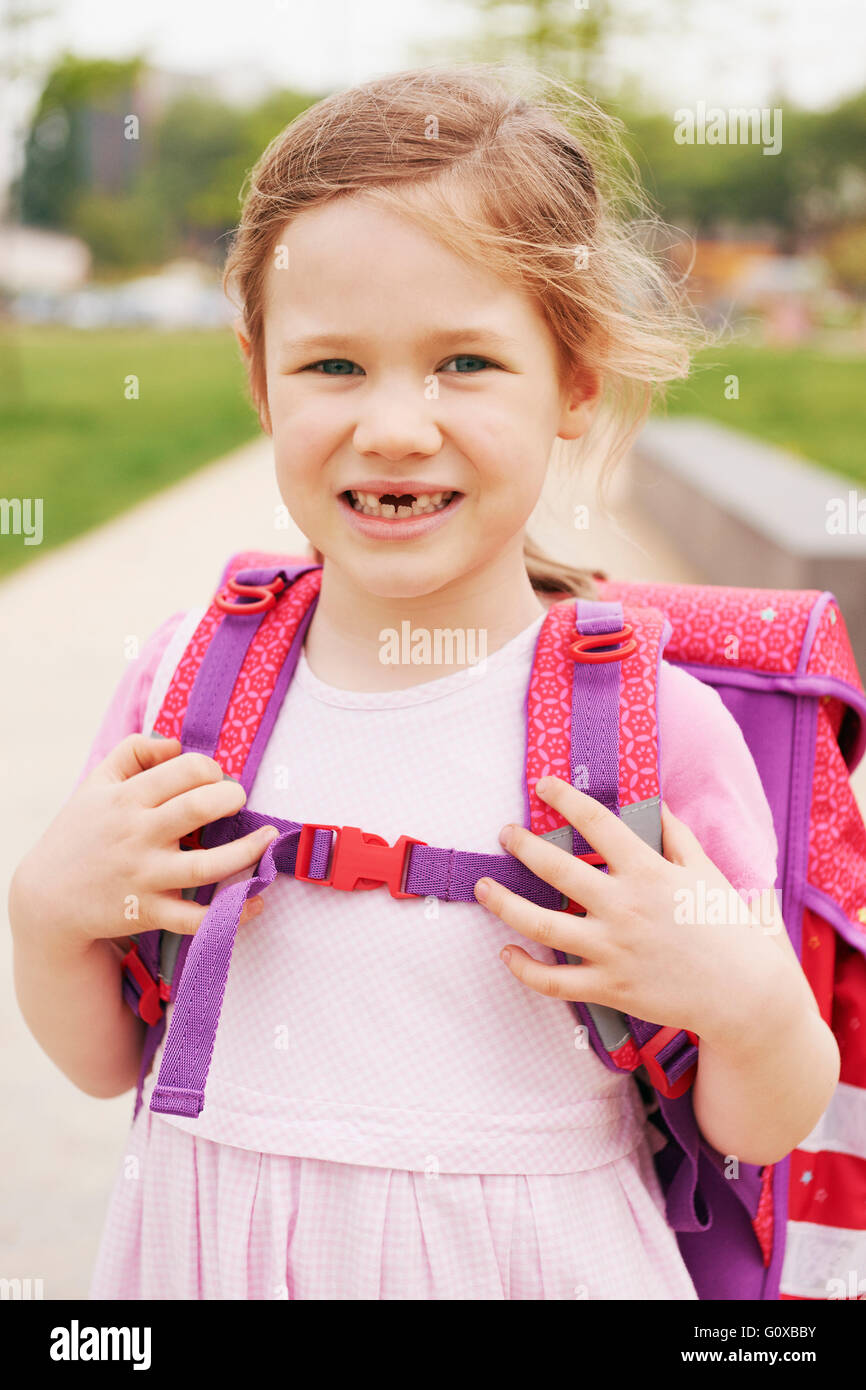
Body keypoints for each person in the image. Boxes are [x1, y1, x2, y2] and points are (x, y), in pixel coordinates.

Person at [8, 63, 839, 1301]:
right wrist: (45, 912)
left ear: (572, 378)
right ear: (258, 377)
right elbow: (106, 1060)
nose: (395, 425)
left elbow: (760, 1124)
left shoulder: (659, 729)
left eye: (463, 362)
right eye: (333, 367)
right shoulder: (182, 687)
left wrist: (746, 1000)